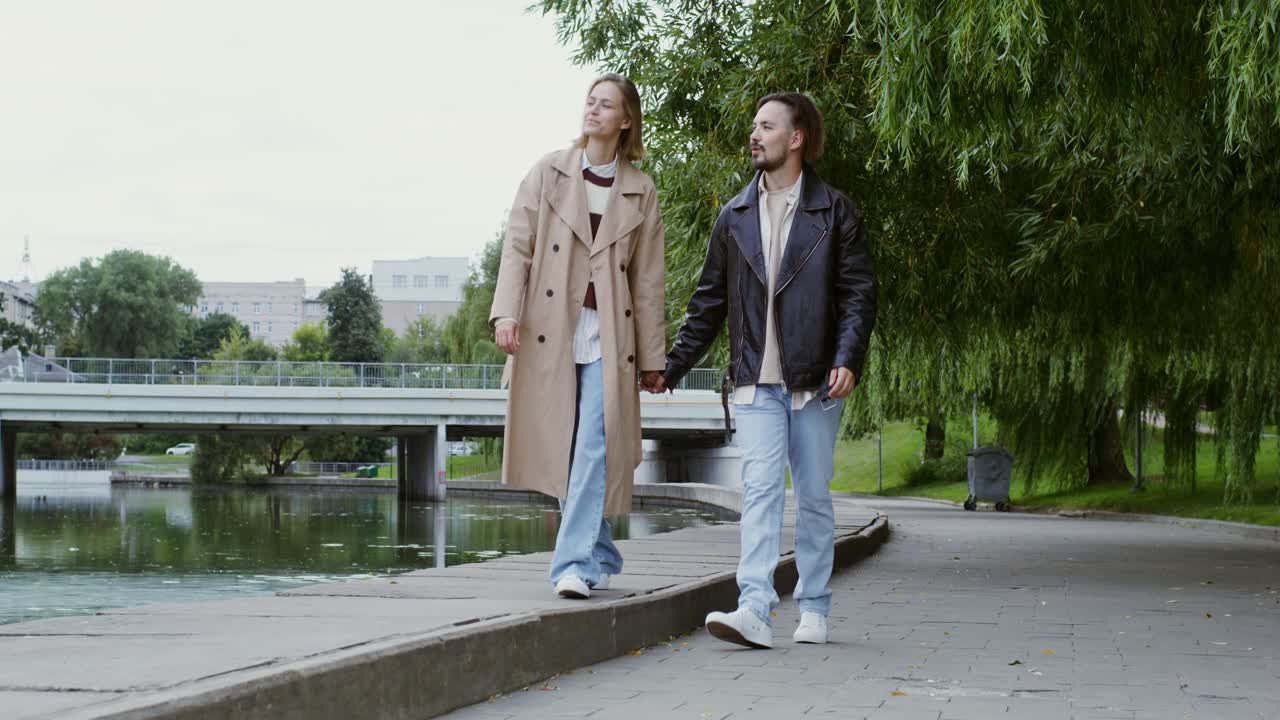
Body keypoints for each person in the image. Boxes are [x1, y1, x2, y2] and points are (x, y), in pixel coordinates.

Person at [652, 92, 876, 647]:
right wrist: (672, 367)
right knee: (758, 490)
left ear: (796, 139)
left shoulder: (835, 212)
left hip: (816, 381)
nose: (754, 135)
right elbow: (708, 304)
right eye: (754, 126)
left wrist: (848, 357)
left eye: (767, 126)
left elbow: (858, 294)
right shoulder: (734, 216)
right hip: (755, 380)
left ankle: (815, 608)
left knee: (815, 495)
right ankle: (753, 606)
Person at [490, 73, 666, 600]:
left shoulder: (640, 189)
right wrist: (505, 314)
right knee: (567, 450)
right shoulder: (549, 172)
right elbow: (517, 246)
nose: (592, 110)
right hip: (551, 330)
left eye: (605, 104)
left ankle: (570, 564)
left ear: (625, 120)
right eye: (589, 101)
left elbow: (650, 281)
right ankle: (602, 550)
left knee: (593, 445)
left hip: (610, 335)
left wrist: (653, 359)